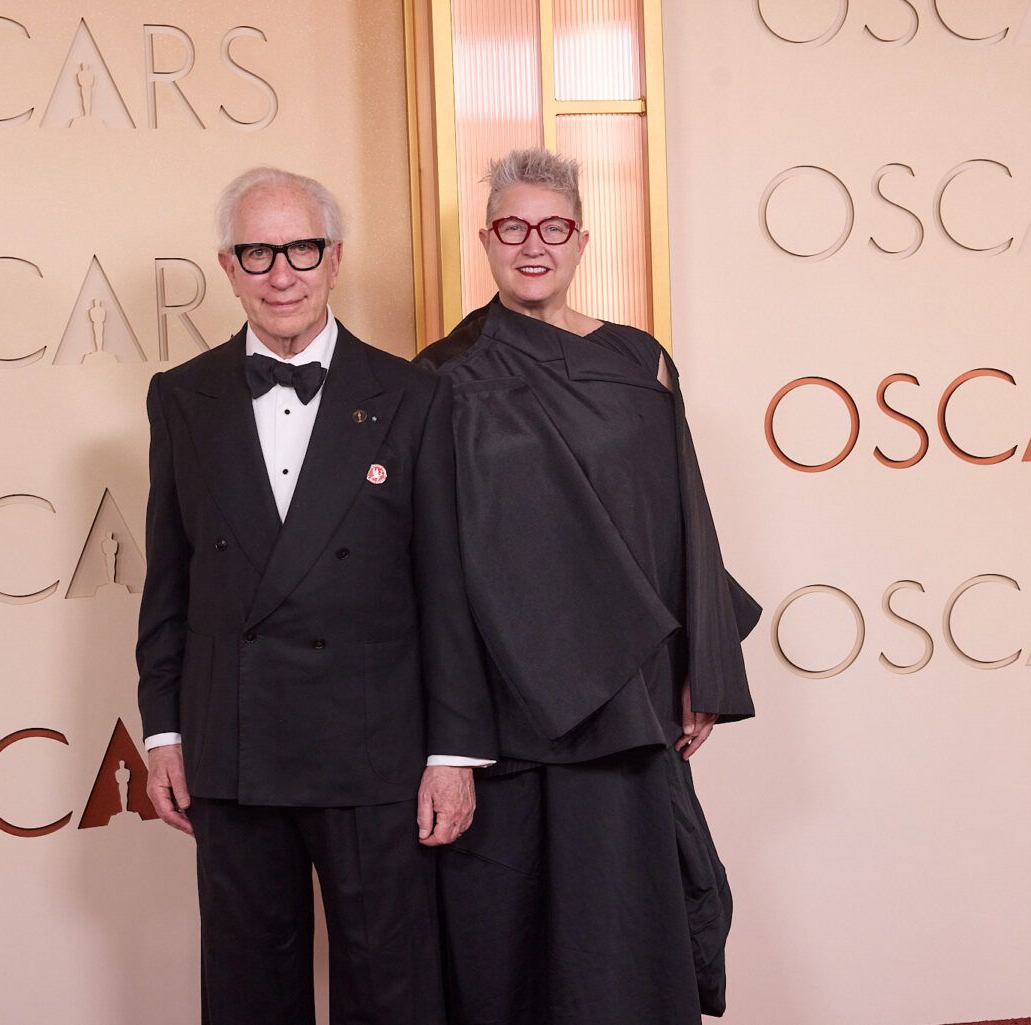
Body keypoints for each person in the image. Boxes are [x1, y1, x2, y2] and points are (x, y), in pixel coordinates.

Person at [136, 166, 495, 1025]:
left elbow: (447, 584)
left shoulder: (414, 394)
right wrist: (164, 731)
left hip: (375, 744)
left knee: (392, 987)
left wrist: (454, 752)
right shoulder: (181, 396)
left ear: (334, 258)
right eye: (257, 253)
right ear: (228, 267)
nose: (281, 274)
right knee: (246, 991)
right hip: (233, 742)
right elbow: (169, 578)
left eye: (300, 249)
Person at [416, 148, 760, 1025]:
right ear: (485, 240)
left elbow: (685, 517)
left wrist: (701, 669)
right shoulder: (443, 374)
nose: (533, 245)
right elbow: (435, 558)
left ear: (581, 239)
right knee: (514, 942)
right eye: (513, 227)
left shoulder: (642, 361)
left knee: (624, 937)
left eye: (553, 227)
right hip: (513, 704)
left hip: (631, 697)